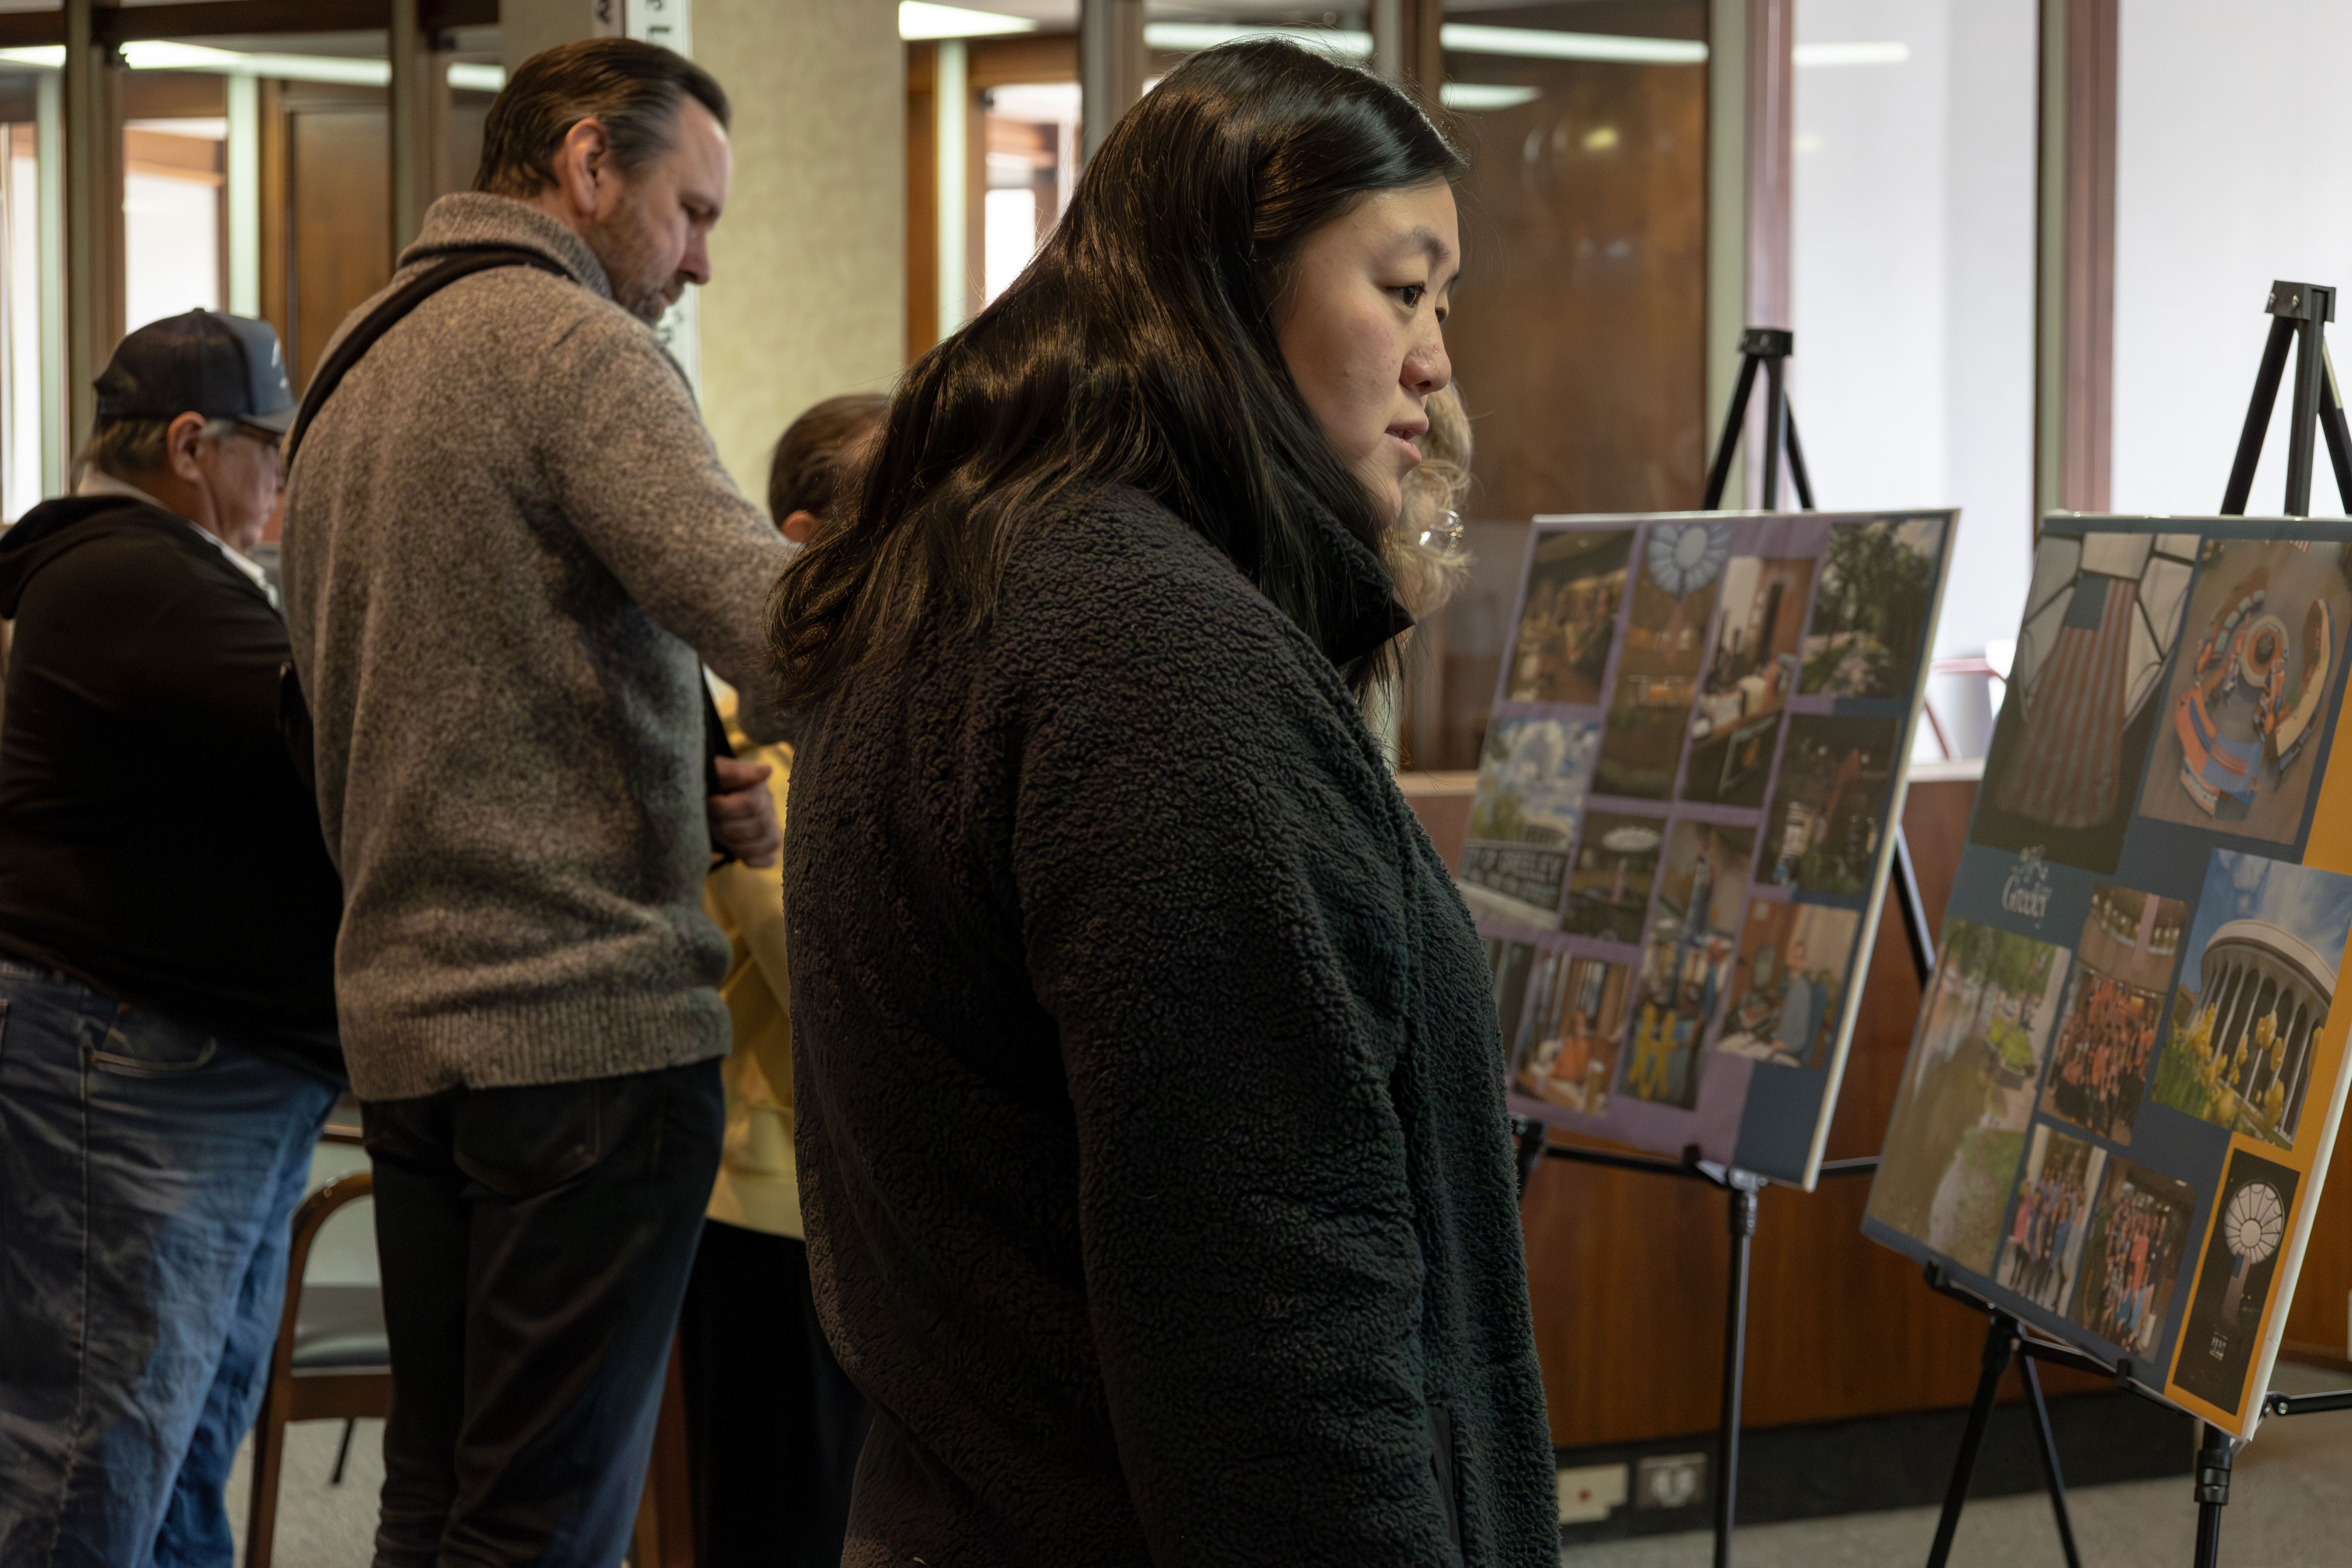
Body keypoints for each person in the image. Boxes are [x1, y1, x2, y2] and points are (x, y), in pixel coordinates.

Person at [769, 39, 1554, 1566]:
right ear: (1230, 285)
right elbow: (1272, 1323)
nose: (1438, 358)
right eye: (1402, 290)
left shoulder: (992, 572)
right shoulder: (1159, 665)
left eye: (1443, 305)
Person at [279, 39, 791, 1568]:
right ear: (585, 165)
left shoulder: (350, 367)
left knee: (435, 1503)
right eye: (688, 214)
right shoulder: (574, 347)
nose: (697, 265)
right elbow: (778, 622)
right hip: (588, 1032)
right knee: (544, 1529)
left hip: (414, 1035)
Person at [0, 311, 344, 1566]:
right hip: (143, 1076)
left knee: (175, 1456)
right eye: (274, 449)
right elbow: (330, 733)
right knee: (91, 1460)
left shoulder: (148, 574)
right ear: (194, 444)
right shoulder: (126, 575)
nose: (286, 484)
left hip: (195, 1075)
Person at [675, 394, 882, 1568]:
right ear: (804, 542)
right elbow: (838, 1000)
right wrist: (761, 858)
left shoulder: (897, 724)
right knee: (779, 1532)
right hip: (770, 1223)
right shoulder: (745, 758)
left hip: (887, 1217)